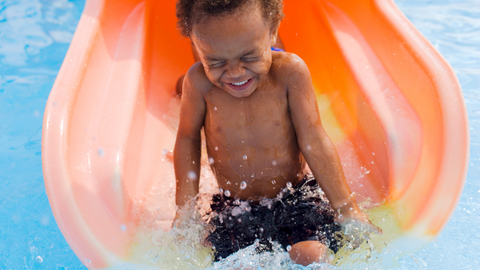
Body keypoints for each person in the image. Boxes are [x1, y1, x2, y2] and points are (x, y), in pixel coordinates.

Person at [173, 0, 380, 266]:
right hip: (235, 206)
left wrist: (347, 209)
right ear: (194, 43)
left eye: (249, 57)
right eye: (216, 61)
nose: (235, 72)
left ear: (272, 32)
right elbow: (188, 138)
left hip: (294, 198)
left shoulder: (290, 73)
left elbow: (314, 139)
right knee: (240, 264)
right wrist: (185, 214)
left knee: (312, 256)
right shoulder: (199, 83)